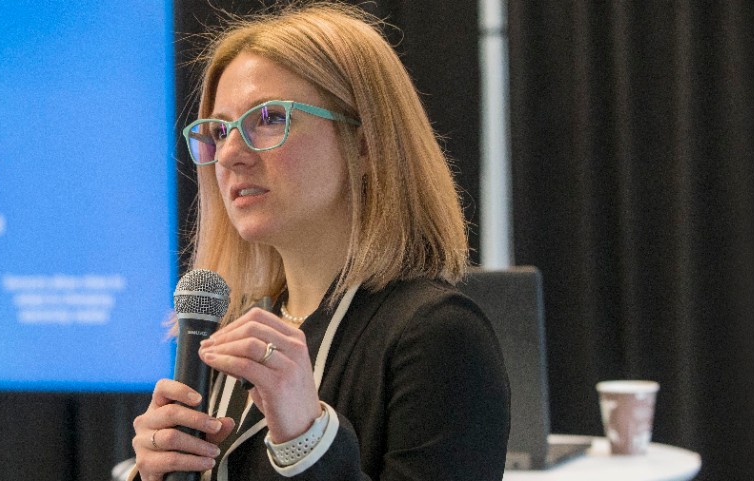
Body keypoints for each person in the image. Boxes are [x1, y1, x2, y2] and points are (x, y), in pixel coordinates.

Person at [130, 3, 509, 480]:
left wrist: (308, 442)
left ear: (367, 143)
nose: (229, 154)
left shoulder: (438, 335)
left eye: (268, 118)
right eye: (220, 129)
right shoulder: (234, 330)